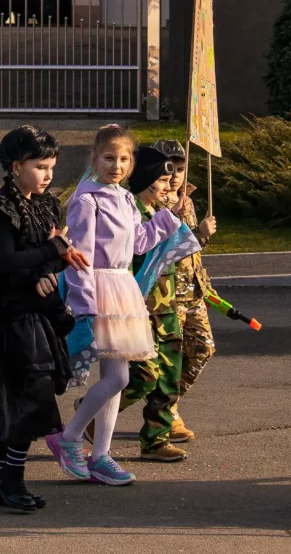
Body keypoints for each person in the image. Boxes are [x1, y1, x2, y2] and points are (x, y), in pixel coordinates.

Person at [46, 125, 179, 486]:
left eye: (123, 159)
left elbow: (138, 243)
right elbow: (81, 256)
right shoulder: (87, 199)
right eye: (108, 158)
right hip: (100, 289)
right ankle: (70, 436)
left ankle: (100, 454)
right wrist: (84, 303)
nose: (116, 166)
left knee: (115, 380)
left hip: (122, 287)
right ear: (94, 159)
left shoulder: (125, 198)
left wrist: (170, 216)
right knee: (118, 377)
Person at [0, 126, 89, 511]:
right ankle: (8, 480)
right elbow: (5, 262)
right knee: (26, 400)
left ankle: (6, 480)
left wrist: (49, 268)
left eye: (52, 166)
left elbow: (56, 253)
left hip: (37, 312)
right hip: (8, 317)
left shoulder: (46, 204)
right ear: (17, 166)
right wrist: (48, 256)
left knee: (31, 400)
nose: (48, 174)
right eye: (41, 166)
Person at [114, 147, 190, 462]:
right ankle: (92, 413)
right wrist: (170, 220)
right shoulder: (134, 213)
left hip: (167, 304)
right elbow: (138, 251)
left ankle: (155, 440)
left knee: (169, 377)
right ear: (145, 180)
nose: (166, 185)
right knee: (144, 375)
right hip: (142, 305)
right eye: (160, 179)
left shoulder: (162, 210)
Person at [153, 140, 217, 443]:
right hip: (167, 292)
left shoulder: (188, 199)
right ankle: (168, 413)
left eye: (180, 168)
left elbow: (191, 249)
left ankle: (168, 402)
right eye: (169, 168)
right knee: (169, 357)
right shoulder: (152, 201)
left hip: (193, 289)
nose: (176, 175)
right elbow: (157, 249)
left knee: (203, 349)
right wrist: (191, 230)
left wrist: (202, 237)